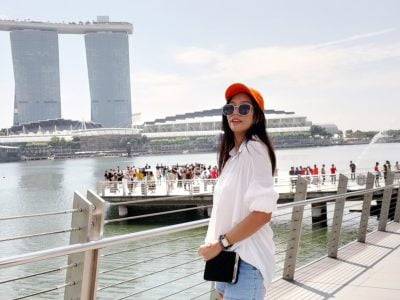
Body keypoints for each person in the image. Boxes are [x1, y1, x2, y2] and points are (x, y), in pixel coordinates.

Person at [198, 83, 278, 299]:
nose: (235, 113)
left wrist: (220, 244)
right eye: (230, 108)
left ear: (257, 116)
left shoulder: (255, 150)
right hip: (226, 260)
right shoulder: (234, 155)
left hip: (246, 262)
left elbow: (262, 213)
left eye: (244, 108)